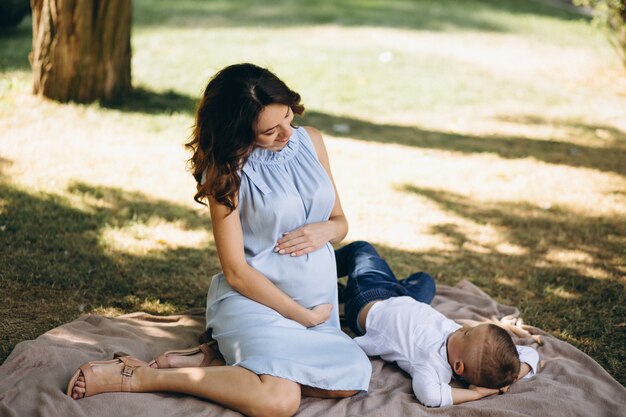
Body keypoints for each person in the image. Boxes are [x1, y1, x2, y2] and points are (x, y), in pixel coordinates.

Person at [66, 63, 371, 417]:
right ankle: (142, 377)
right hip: (258, 304)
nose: (287, 133)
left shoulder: (312, 141)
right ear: (238, 131)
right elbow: (236, 271)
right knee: (278, 400)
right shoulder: (226, 172)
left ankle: (217, 357)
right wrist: (299, 315)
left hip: (315, 309)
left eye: (288, 117)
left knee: (351, 377)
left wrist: (328, 230)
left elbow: (340, 221)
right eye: (270, 130)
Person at [336, 240, 539, 408]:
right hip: (406, 298)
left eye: (467, 334)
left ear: (458, 367)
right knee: (425, 280)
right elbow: (531, 355)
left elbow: (431, 396)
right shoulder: (468, 350)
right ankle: (340, 290)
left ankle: (310, 268)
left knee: (362, 250)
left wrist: (477, 395)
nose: (464, 327)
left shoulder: (430, 364)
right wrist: (503, 382)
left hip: (370, 301)